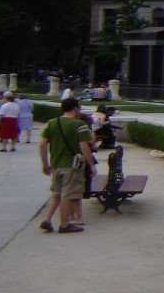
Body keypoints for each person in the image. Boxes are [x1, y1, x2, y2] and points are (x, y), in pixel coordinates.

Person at [39, 98, 96, 233]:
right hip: (72, 165)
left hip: (55, 164)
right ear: (76, 109)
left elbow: (42, 145)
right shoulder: (79, 124)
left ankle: (47, 219)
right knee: (68, 195)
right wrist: (91, 164)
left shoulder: (51, 123)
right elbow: (84, 146)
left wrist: (45, 164)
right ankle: (65, 224)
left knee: (56, 193)